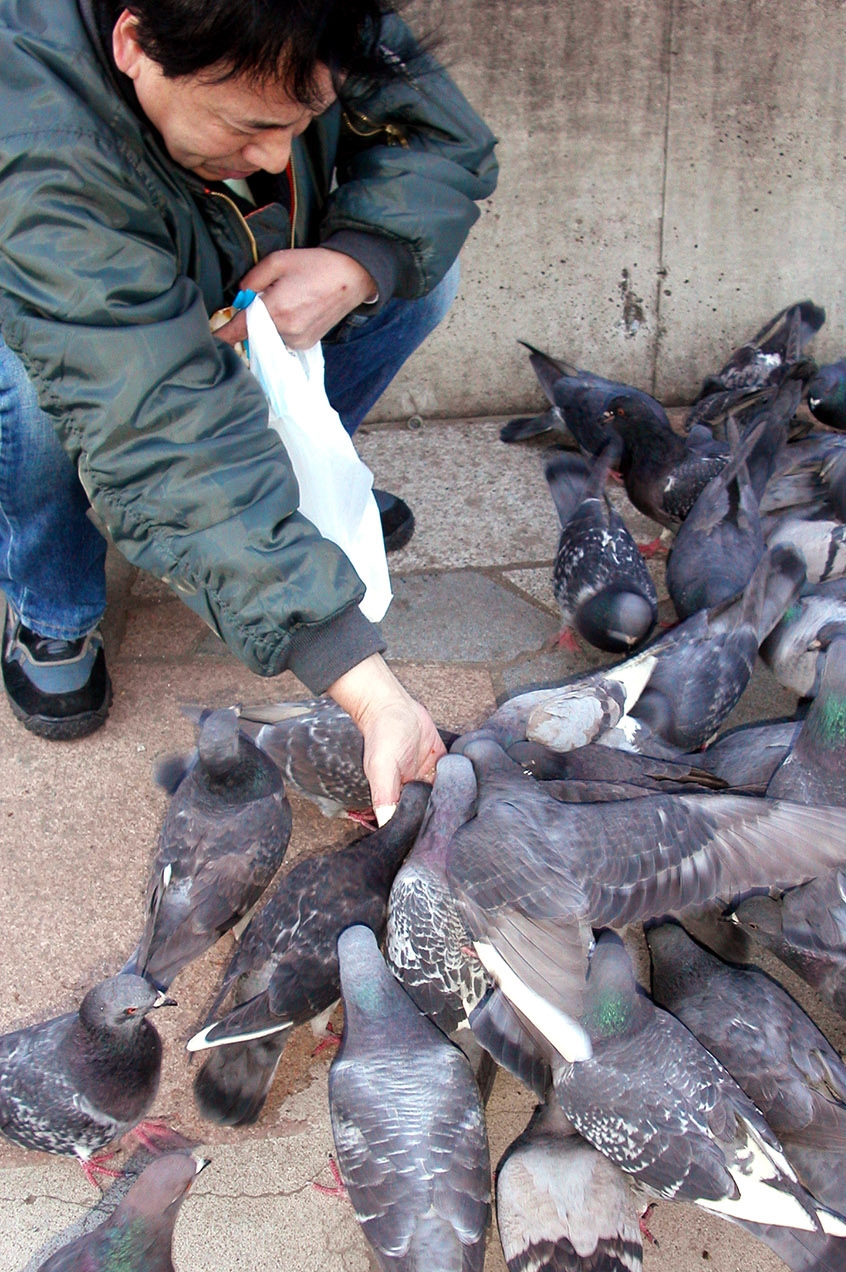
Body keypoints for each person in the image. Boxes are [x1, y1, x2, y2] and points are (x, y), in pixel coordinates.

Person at [0, 0, 497, 820]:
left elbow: (443, 139)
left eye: (307, 120)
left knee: (412, 274)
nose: (277, 152)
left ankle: (289, 497)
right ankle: (53, 602)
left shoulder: (308, 13)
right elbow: (154, 432)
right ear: (134, 45)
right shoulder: (37, 139)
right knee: (31, 384)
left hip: (234, 260)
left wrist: (353, 263)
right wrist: (365, 685)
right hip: (63, 304)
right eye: (251, 125)